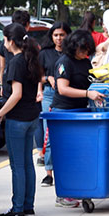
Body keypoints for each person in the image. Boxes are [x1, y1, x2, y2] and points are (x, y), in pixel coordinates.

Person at [0, 23, 43, 216]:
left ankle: (17, 208)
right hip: (32, 117)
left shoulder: (15, 62)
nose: (4, 44)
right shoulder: (31, 59)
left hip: (17, 119)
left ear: (11, 41)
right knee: (27, 163)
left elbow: (16, 94)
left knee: (17, 165)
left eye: (4, 39)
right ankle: (28, 206)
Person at [51, 30, 98, 207]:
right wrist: (87, 93)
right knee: (65, 154)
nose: (85, 52)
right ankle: (64, 193)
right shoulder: (64, 63)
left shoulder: (85, 62)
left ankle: (78, 187)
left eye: (87, 49)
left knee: (80, 154)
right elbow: (62, 88)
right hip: (64, 112)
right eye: (82, 49)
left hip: (81, 111)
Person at [37, 21, 69, 187]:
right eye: (56, 35)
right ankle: (49, 172)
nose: (59, 38)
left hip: (69, 95)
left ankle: (67, 170)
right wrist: (48, 79)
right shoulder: (45, 53)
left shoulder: (71, 53)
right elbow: (38, 76)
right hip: (50, 94)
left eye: (62, 35)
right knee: (48, 133)